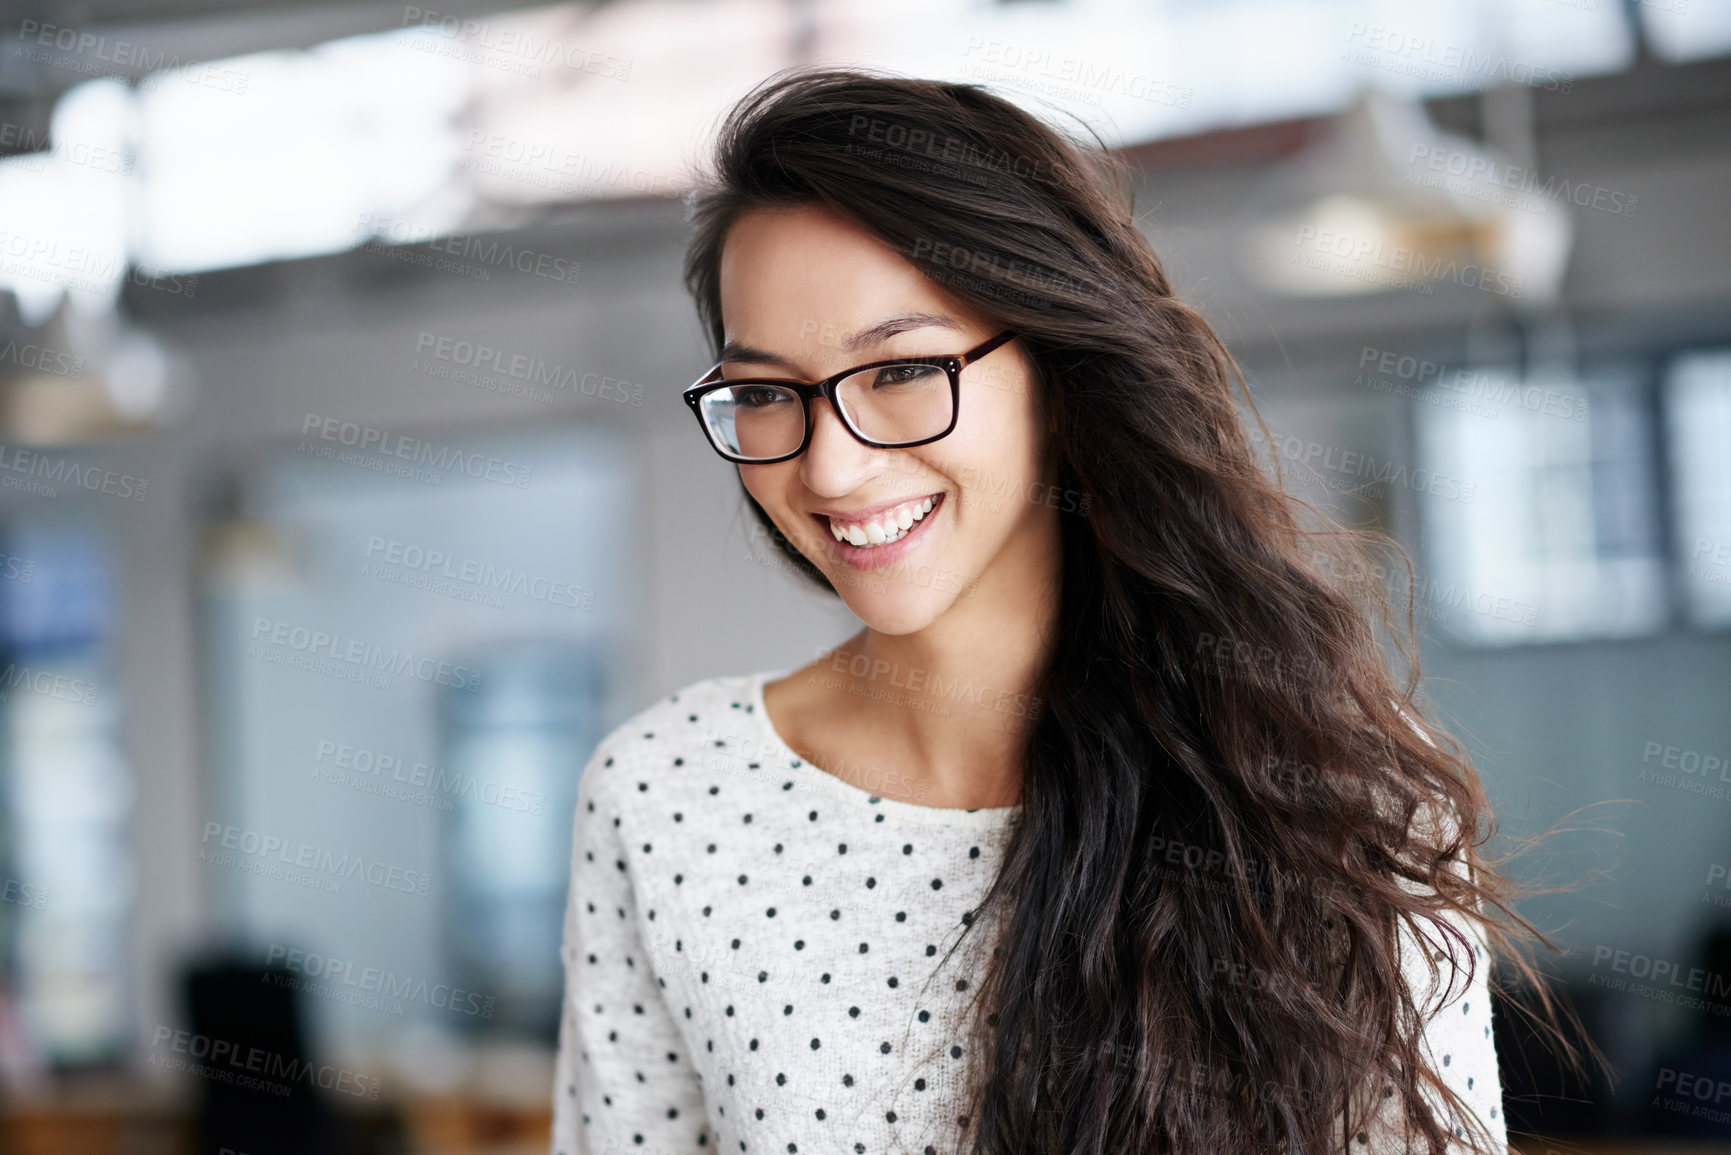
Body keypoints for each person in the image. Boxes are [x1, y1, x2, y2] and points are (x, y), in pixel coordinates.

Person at [551, 67, 1560, 1155]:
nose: (833, 469)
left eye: (901, 368)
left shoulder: (1333, 788)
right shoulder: (663, 795)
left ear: (1058, 367)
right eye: (762, 392)